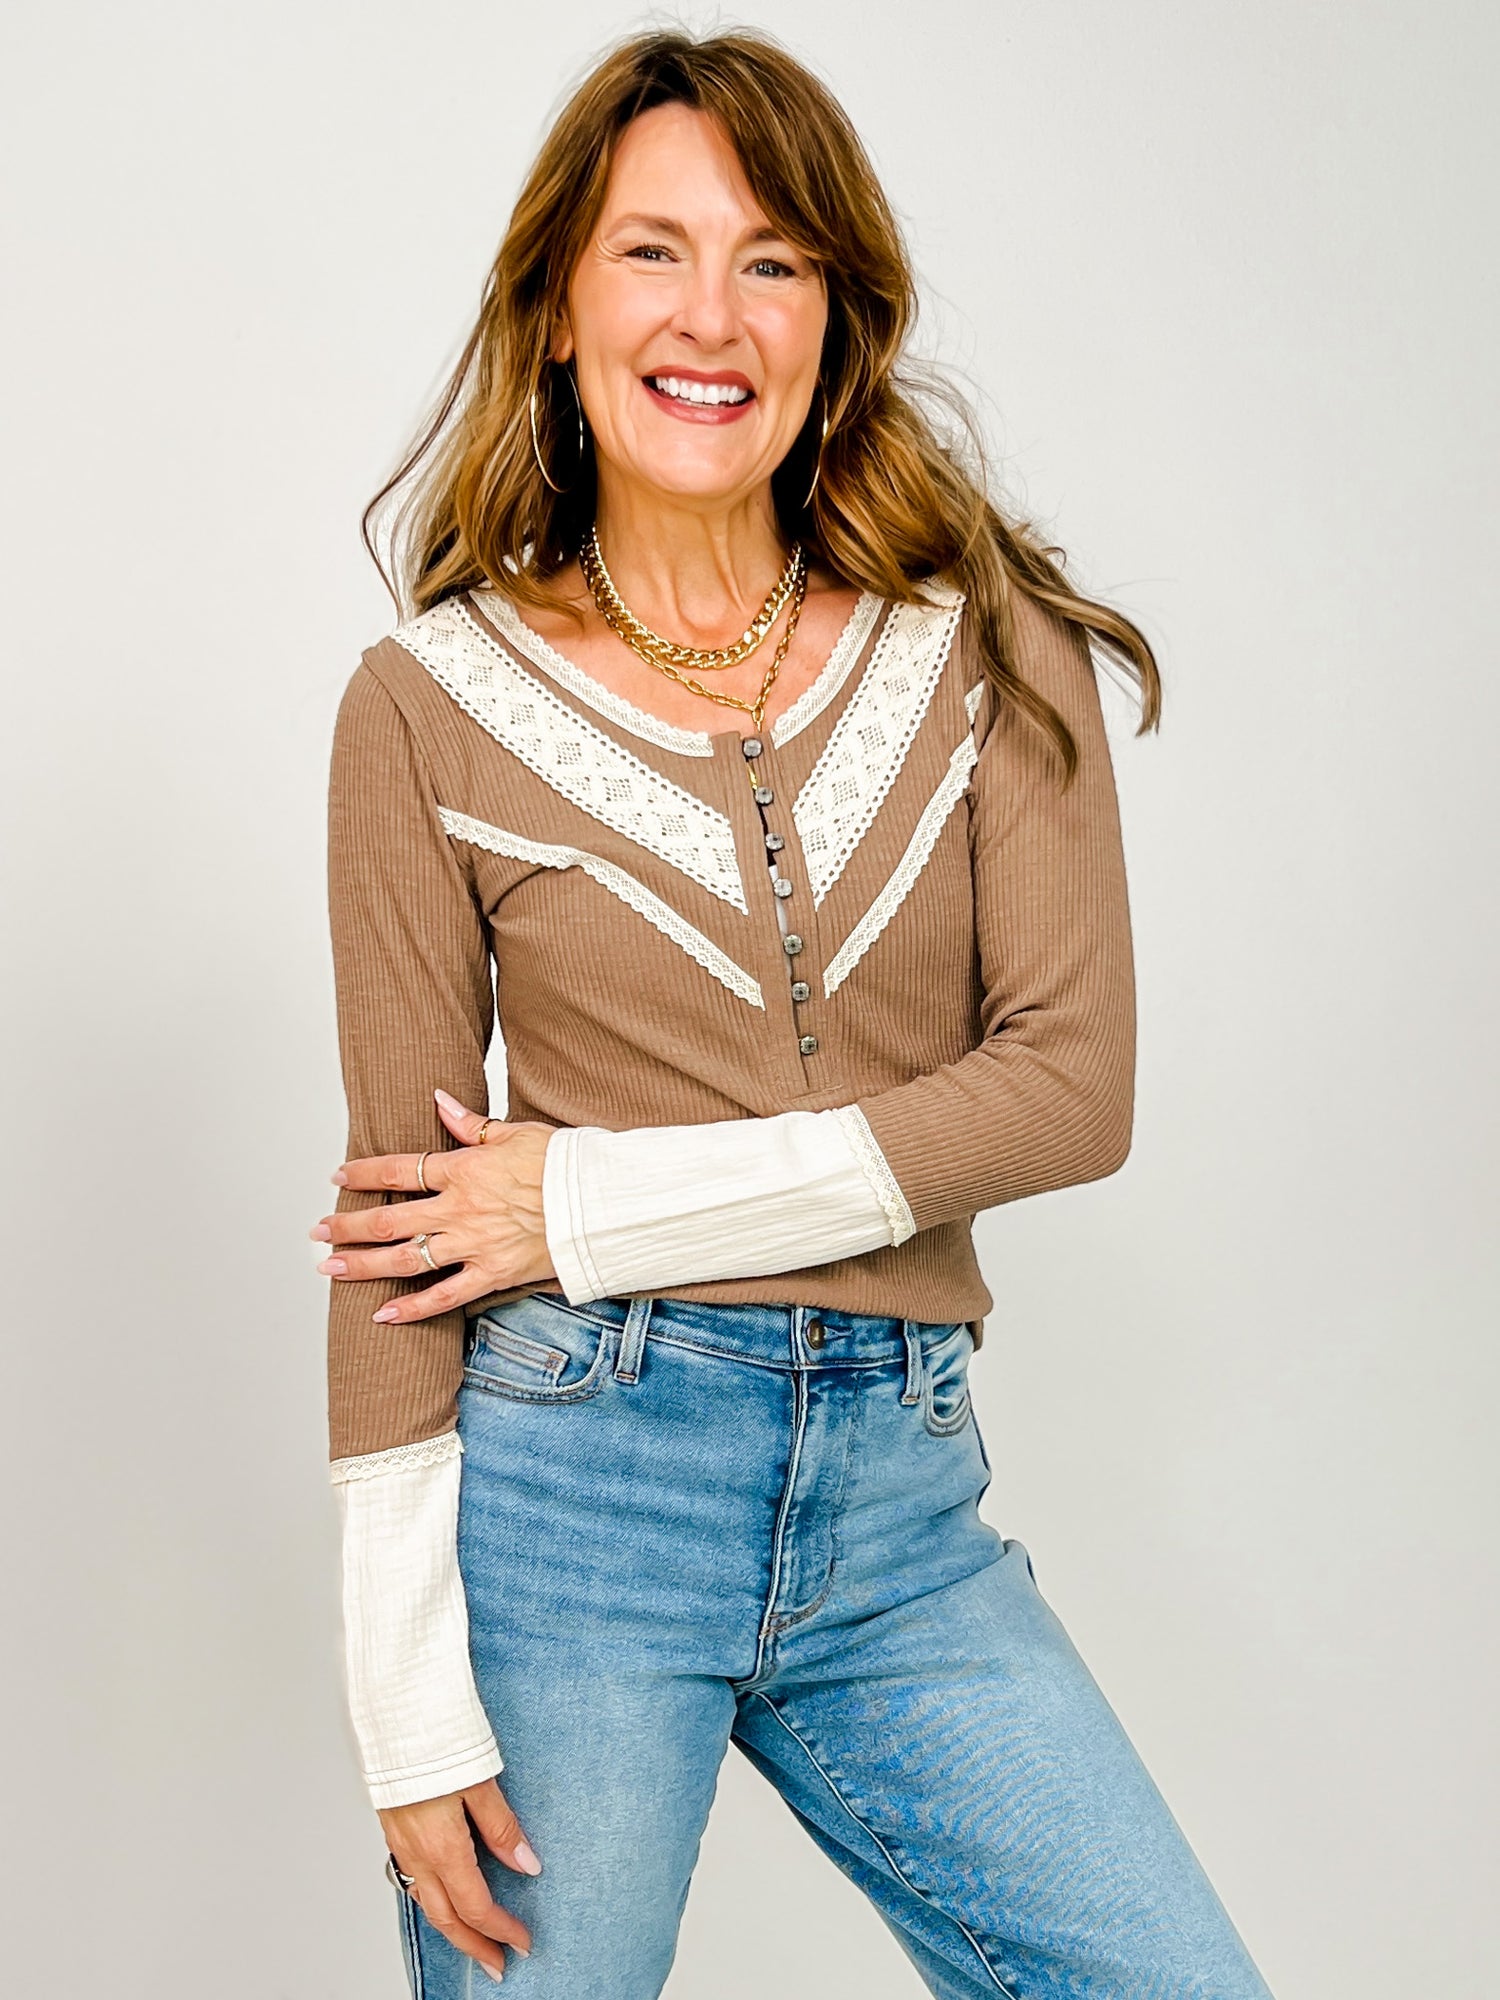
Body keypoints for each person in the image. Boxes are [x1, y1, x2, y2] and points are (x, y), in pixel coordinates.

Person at [309, 28, 1275, 1999]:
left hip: (901, 1508)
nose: (712, 315)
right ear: (558, 306)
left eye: (773, 261)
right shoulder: (424, 706)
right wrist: (402, 1695)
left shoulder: (992, 642)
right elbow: (405, 1220)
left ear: (835, 319)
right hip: (576, 1496)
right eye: (651, 251)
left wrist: (588, 1204)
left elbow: (1070, 1091)